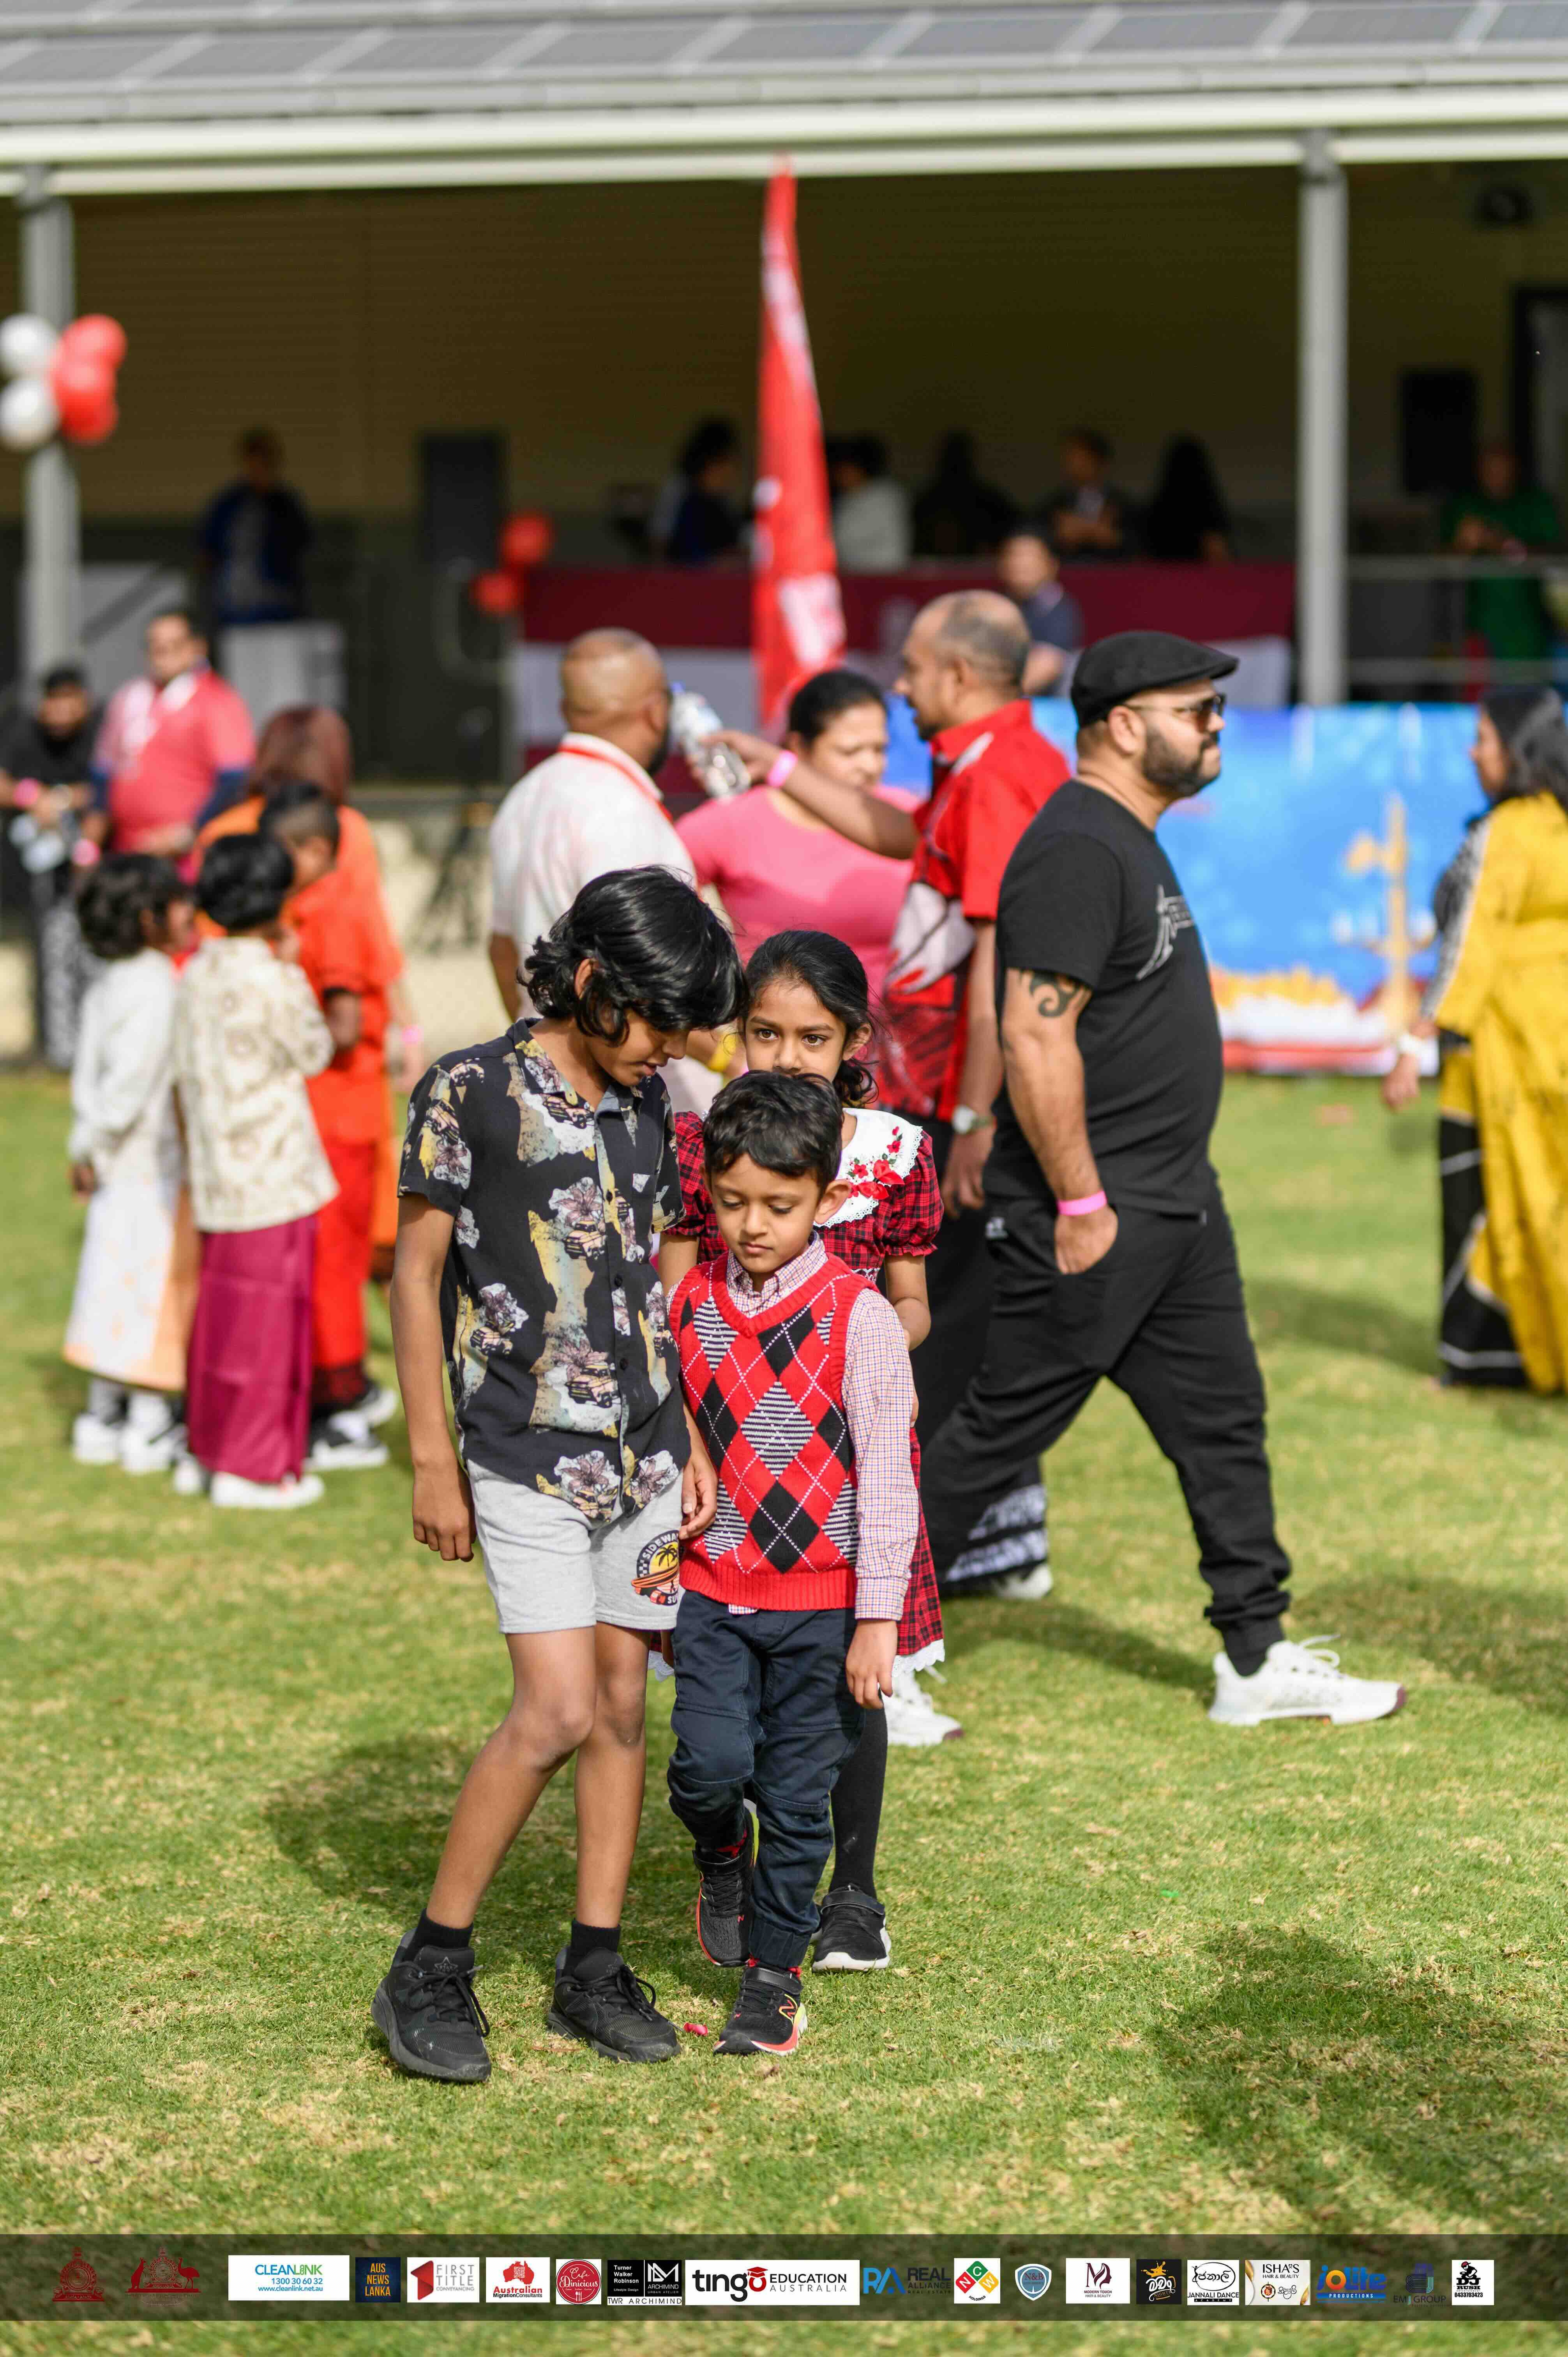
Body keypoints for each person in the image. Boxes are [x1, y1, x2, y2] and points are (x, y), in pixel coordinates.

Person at [920, 630, 1408, 1728]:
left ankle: (1253, 1657)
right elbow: (1034, 1037)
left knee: (1224, 1416)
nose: (1220, 724)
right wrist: (1083, 1203)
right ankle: (869, 1654)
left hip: (1175, 1201)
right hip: (1098, 1210)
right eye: (1199, 709)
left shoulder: (1129, 837)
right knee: (995, 1433)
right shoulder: (1078, 847)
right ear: (1126, 726)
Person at [371, 867, 741, 2082]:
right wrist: (433, 1458)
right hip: (521, 1454)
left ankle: (593, 1966)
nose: (672, 1051)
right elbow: (413, 1278)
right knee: (558, 1711)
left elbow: (662, 1274)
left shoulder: (654, 1105)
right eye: (659, 1024)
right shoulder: (466, 1092)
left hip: (641, 1455)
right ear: (590, 986)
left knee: (627, 1708)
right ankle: (431, 1961)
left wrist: (683, 1431)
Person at [705, 590, 1068, 1596]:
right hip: (933, 1101)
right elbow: (894, 836)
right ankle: (972, 1551)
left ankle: (895, 1569)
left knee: (935, 1337)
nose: (900, 686)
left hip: (951, 1108)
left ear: (957, 676)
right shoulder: (976, 765)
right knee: (951, 1328)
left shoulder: (998, 778)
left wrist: (969, 1120)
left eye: (909, 669)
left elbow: (1000, 964)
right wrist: (779, 768)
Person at [661, 935, 952, 1959]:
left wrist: (857, 1346)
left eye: (812, 1038)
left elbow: (911, 1303)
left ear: (854, 1041)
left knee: (852, 1681)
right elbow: (681, 1294)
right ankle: (737, 1855)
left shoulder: (898, 1155)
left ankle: (855, 1894)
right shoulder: (706, 1146)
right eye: (765, 1033)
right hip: (732, 1448)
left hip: (852, 1450)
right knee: (737, 1685)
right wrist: (696, 1424)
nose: (786, 1056)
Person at [667, 1071, 917, 2055]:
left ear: (827, 1199)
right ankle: (718, 1850)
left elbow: (888, 1480)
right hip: (713, 1595)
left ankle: (772, 1979)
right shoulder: (687, 1304)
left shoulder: (860, 1319)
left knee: (798, 1796)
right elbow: (670, 1416)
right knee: (706, 1769)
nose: (752, 1226)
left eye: (778, 1205)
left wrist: (874, 1621)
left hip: (823, 1609)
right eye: (731, 1205)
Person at [1384, 684, 1568, 1391]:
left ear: (1515, 750)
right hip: (1551, 1037)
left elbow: (1468, 942)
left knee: (1486, 1194)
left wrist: (1413, 1039)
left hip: (1503, 1045)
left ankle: (1490, 1356)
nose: (1471, 751)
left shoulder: (1507, 831)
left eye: (1482, 738)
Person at [195, 703, 413, 1294]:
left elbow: (208, 952)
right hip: (331, 1077)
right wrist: (407, 1032)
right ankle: (332, 1377)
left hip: (243, 1071)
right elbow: (378, 940)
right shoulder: (347, 831)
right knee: (331, 1243)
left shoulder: (223, 832)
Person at [173, 834, 336, 1511]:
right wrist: (295, 969)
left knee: (220, 1319)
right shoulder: (273, 977)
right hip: (272, 1170)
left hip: (216, 1168)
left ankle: (209, 1447)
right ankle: (250, 1464)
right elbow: (315, 1049)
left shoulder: (196, 970)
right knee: (266, 1327)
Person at [258, 781, 392, 1467]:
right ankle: (334, 1393)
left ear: (313, 850)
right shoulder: (308, 904)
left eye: (277, 847)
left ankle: (343, 1411)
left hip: (339, 1119)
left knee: (332, 1266)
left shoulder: (333, 912)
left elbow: (342, 1026)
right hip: (322, 1116)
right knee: (315, 1265)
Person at [63, 854, 199, 1474]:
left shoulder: (109, 982)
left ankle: (101, 1414)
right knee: (151, 1288)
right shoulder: (156, 985)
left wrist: (84, 1145)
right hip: (150, 1163)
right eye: (177, 902)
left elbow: (90, 1080)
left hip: (114, 1159)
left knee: (110, 1279)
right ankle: (146, 1424)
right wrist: (97, 1140)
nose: (188, 912)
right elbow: (130, 1082)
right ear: (150, 919)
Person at [487, 630, 694, 1019]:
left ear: (567, 710)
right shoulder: (623, 809)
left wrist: (534, 1043)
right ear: (656, 712)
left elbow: (502, 951)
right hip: (622, 1073)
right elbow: (642, 973)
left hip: (545, 1058)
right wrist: (727, 1056)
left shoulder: (523, 797)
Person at [676, 669, 911, 995]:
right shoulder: (732, 823)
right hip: (776, 1040)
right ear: (799, 746)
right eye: (850, 752)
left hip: (896, 1040)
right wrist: (711, 1035)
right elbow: (655, 918)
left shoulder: (906, 821)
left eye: (879, 750)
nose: (871, 766)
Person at [0, 661, 102, 1068]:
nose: (59, 712)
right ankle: (59, 1052)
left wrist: (63, 802)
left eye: (68, 702)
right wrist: (31, 797)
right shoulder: (23, 733)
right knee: (48, 956)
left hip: (93, 866)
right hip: (37, 871)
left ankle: (93, 1048)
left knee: (93, 954)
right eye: (52, 702)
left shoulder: (100, 732)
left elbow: (111, 785)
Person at [92, 609, 255, 859]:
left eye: (173, 645)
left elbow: (234, 778)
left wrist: (190, 831)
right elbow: (104, 769)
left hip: (185, 854)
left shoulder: (217, 701)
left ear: (197, 647)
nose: (162, 654)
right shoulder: (129, 697)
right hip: (127, 849)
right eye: (155, 646)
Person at [1443, 444, 1560, 671]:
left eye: (1501, 468)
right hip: (1479, 623)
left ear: (1514, 468)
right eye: (1488, 468)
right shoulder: (1465, 505)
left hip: (1529, 624)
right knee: (1480, 697)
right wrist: (1464, 545)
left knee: (1530, 696)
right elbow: (1443, 563)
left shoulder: (1536, 502)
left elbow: (1554, 554)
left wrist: (1498, 542)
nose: (1494, 475)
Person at [198, 429, 313, 632]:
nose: (259, 470)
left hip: (279, 601)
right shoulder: (229, 503)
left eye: (265, 464)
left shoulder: (286, 504)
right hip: (236, 601)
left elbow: (304, 547)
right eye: (254, 463)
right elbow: (208, 548)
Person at [996, 528, 1085, 694]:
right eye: (1014, 556)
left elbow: (1048, 665)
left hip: (1047, 706)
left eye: (1031, 557)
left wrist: (992, 699)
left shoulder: (1060, 607)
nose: (1021, 565)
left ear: (1051, 565)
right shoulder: (995, 606)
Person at [911, 431, 1017, 559]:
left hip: (976, 569)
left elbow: (1013, 533)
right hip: (931, 569)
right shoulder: (927, 500)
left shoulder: (987, 499)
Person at [664, 419, 744, 567]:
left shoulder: (723, 507)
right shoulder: (691, 508)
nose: (730, 474)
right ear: (704, 467)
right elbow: (691, 559)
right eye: (722, 466)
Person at [1143, 435, 1233, 564]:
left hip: (1165, 577)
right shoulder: (1210, 507)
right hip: (1203, 579)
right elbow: (1220, 554)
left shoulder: (1159, 507)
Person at [1044, 429, 1132, 560]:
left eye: (1082, 457)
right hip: (1068, 571)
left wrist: (1109, 536)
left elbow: (1142, 546)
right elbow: (1036, 541)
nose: (1075, 464)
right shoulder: (1054, 504)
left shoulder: (1125, 504)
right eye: (1070, 457)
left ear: (1101, 460)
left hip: (1114, 573)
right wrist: (1059, 536)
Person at [830, 435, 912, 571]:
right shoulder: (847, 499)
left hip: (883, 575)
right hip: (855, 575)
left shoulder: (884, 497)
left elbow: (843, 538)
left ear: (858, 469)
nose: (839, 476)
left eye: (844, 470)